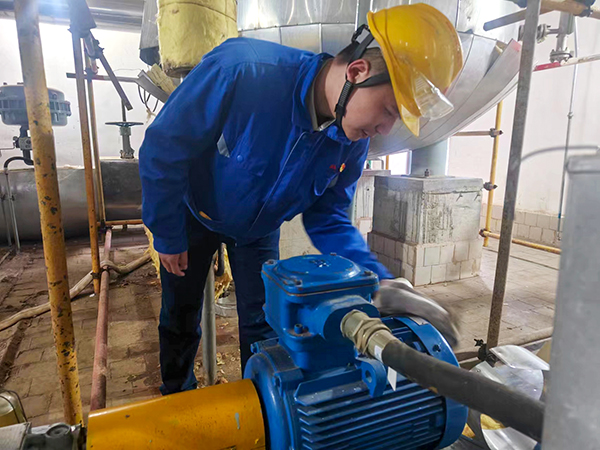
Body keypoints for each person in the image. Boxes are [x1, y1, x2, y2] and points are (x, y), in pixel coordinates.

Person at [139, 4, 463, 395]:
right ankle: (176, 396)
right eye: (390, 110)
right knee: (180, 314)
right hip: (193, 214)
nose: (384, 129)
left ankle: (259, 408)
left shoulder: (350, 142)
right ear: (357, 72)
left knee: (263, 323)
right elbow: (163, 148)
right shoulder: (242, 70)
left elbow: (329, 218)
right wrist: (167, 234)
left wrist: (380, 282)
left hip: (258, 230)